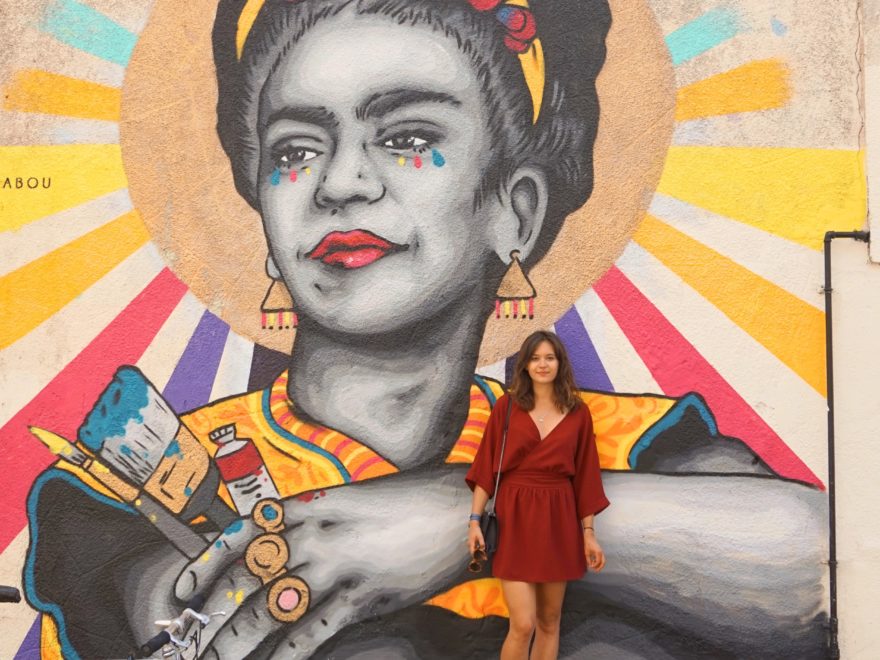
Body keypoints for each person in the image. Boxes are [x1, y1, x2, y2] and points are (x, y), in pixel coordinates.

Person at [23, 0, 826, 658]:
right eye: (296, 150)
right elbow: (174, 617)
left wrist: (475, 519)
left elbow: (827, 573)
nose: (340, 183)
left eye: (407, 138)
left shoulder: (626, 445)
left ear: (516, 212)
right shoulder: (125, 491)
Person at [466, 330, 609, 659]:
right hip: (514, 517)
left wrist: (588, 534)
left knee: (549, 621)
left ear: (560, 363)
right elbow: (487, 467)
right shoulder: (507, 407)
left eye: (549, 358)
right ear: (525, 365)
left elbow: (586, 477)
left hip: (558, 519)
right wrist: (474, 520)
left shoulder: (578, 412)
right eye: (535, 358)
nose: (542, 364)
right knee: (523, 624)